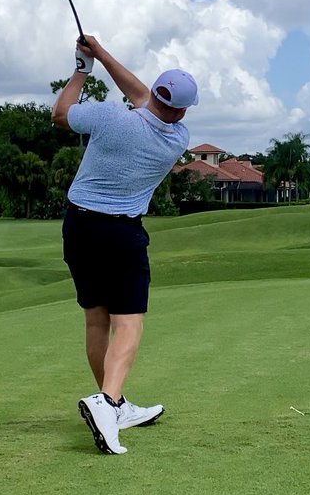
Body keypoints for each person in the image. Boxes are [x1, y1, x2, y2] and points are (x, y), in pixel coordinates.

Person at [52, 34, 199, 455]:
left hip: (78, 227)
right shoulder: (177, 138)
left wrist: (84, 69)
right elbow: (147, 101)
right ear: (184, 109)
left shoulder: (108, 118)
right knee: (129, 323)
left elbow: (61, 114)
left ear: (154, 92)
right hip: (122, 234)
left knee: (96, 320)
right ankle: (109, 402)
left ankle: (112, 404)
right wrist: (101, 54)